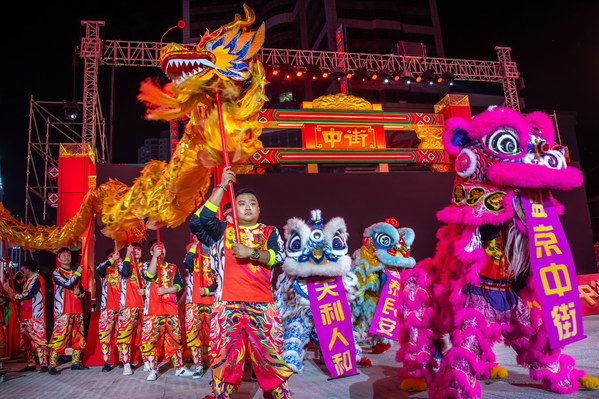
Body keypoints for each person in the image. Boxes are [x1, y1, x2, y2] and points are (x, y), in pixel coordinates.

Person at [190, 166, 293, 399]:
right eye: (242, 203)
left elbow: (280, 257)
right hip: (227, 305)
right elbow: (201, 219)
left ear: (259, 208)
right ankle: (222, 395)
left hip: (262, 306)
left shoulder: (270, 231)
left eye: (252, 203)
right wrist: (222, 186)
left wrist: (251, 253)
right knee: (225, 357)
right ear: (234, 209)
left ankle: (279, 394)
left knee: (270, 356)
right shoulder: (221, 230)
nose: (247, 206)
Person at [140, 240, 194, 381]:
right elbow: (149, 275)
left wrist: (167, 290)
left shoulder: (173, 267)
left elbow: (179, 285)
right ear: (151, 252)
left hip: (170, 309)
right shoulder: (146, 265)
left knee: (175, 340)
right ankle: (153, 369)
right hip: (153, 310)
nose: (161, 250)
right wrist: (154, 258)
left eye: (163, 247)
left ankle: (179, 368)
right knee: (152, 341)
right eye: (157, 248)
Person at [47, 247, 88, 374]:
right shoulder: (57, 273)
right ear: (58, 259)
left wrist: (80, 293)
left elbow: (80, 289)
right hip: (63, 310)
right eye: (63, 255)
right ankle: (52, 365)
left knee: (78, 336)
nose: (66, 257)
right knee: (60, 336)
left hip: (76, 308)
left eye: (68, 255)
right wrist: (78, 273)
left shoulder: (75, 273)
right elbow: (68, 284)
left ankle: (76, 362)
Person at [4, 260, 48, 372]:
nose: (23, 272)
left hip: (35, 315)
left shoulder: (37, 279)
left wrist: (16, 296)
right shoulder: (28, 281)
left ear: (28, 269)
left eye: (24, 269)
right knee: (26, 341)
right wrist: (10, 277)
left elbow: (29, 294)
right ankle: (31, 363)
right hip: (25, 315)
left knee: (39, 340)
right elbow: (16, 284)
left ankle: (44, 364)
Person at [117, 242, 146, 376]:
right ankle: (126, 364)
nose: (137, 251)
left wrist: (145, 290)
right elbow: (124, 272)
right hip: (128, 306)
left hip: (144, 306)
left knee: (145, 335)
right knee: (126, 337)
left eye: (139, 249)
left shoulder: (145, 266)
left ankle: (147, 361)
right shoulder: (123, 264)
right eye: (134, 249)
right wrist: (128, 254)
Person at [96, 247, 122, 372]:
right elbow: (99, 269)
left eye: (118, 255)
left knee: (122, 336)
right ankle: (106, 362)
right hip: (107, 308)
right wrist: (112, 260)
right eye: (113, 256)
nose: (117, 258)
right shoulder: (105, 269)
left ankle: (124, 361)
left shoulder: (123, 269)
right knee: (105, 336)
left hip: (122, 307)